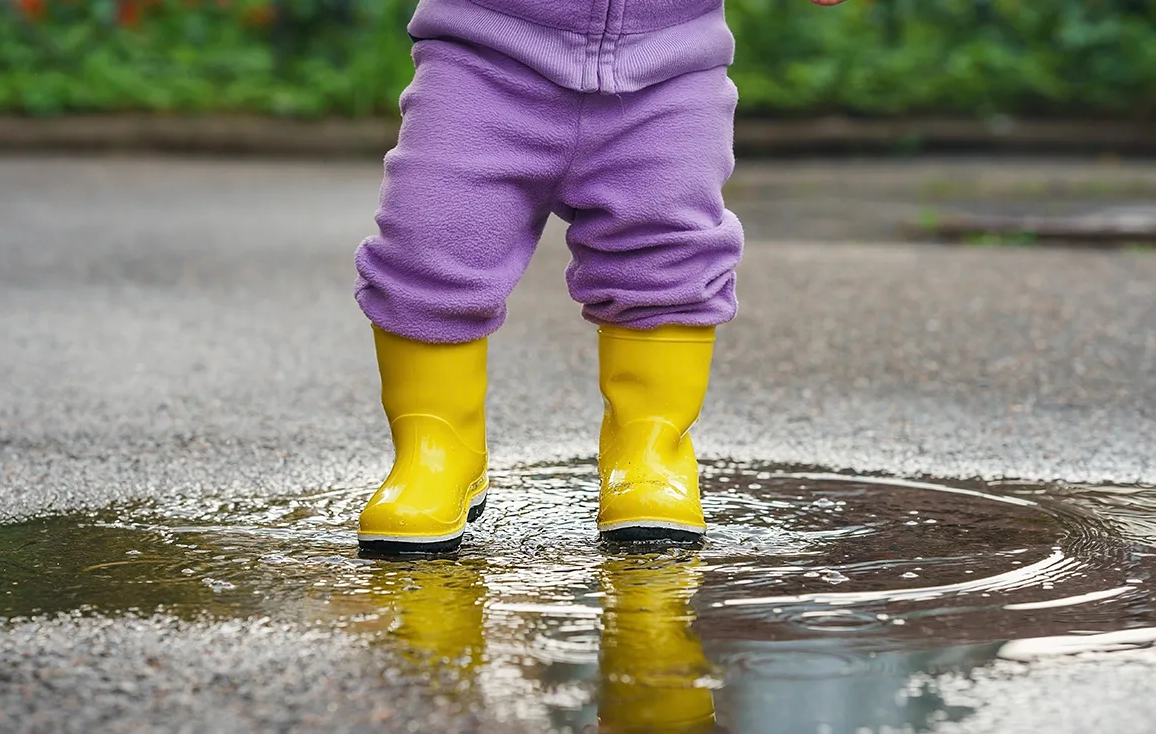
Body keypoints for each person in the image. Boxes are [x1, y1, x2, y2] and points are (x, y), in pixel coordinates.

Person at [355, 0, 847, 554]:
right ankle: (435, 451)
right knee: (431, 236)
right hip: (482, 58)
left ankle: (650, 450)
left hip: (671, 63)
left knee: (665, 257)